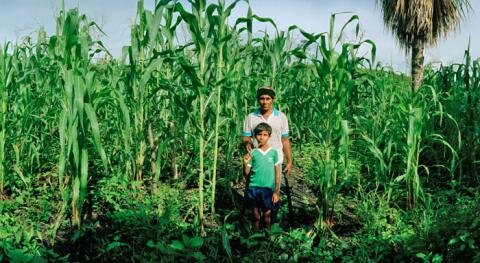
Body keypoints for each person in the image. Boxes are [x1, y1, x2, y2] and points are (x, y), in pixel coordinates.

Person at [242, 86, 292, 175]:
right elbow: (246, 136)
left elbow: (285, 140)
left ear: (273, 99)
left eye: (268, 99)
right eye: (262, 99)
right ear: (258, 99)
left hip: (276, 159)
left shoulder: (281, 117)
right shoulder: (251, 117)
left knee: (274, 186)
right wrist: (247, 143)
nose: (265, 102)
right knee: (254, 185)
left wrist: (289, 161)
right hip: (256, 158)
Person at [243, 122, 281, 230]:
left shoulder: (273, 153)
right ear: (255, 136)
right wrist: (245, 163)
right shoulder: (253, 153)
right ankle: (254, 238)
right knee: (255, 216)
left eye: (265, 135)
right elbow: (246, 174)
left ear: (269, 136)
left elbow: (277, 173)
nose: (262, 137)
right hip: (254, 188)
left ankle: (266, 239)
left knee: (267, 216)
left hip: (268, 189)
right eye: (259, 135)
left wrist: (276, 191)